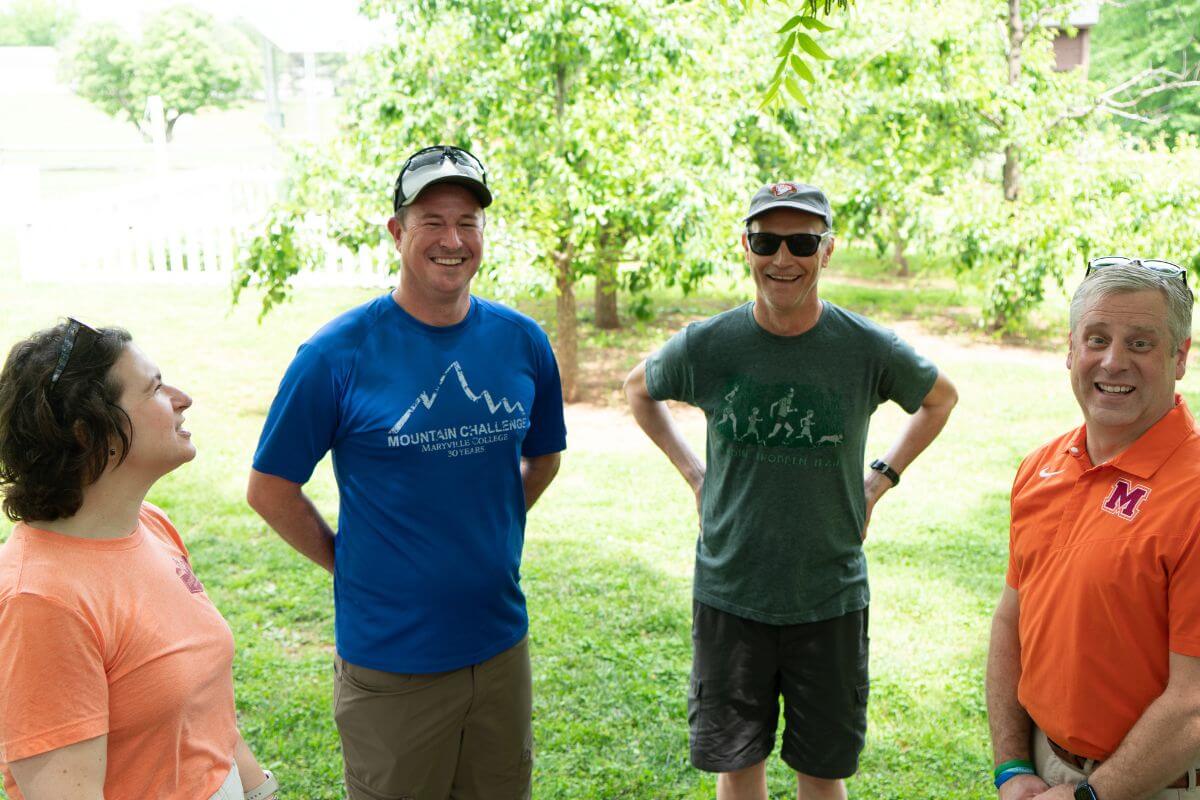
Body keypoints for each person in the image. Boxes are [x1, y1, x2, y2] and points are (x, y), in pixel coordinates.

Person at [246, 144, 566, 800]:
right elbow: (270, 487)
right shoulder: (335, 355)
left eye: (468, 222)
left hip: (501, 648)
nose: (453, 240)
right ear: (397, 232)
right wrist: (355, 561)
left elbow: (545, 457)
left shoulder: (522, 342)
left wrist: (485, 523)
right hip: (392, 663)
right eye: (432, 221)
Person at [624, 181, 958, 800]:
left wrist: (880, 480)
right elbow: (638, 389)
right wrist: (694, 474)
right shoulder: (710, 344)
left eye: (802, 241)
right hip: (731, 592)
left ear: (827, 251)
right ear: (745, 246)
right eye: (766, 240)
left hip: (828, 597)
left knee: (823, 772)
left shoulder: (865, 347)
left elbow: (940, 399)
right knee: (737, 764)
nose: (783, 259)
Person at [0, 320, 278, 800]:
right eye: (153, 389)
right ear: (91, 433)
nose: (182, 397)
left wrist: (258, 790)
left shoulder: (150, 524)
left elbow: (207, 711)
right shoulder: (40, 602)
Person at [986, 257, 1200, 800]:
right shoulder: (1042, 466)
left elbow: (1193, 700)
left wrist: (1092, 796)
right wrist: (1012, 767)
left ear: (1180, 356)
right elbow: (1013, 622)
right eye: (1097, 338)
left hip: (1158, 783)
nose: (1113, 361)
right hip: (1044, 765)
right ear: (1070, 349)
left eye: (1141, 343)